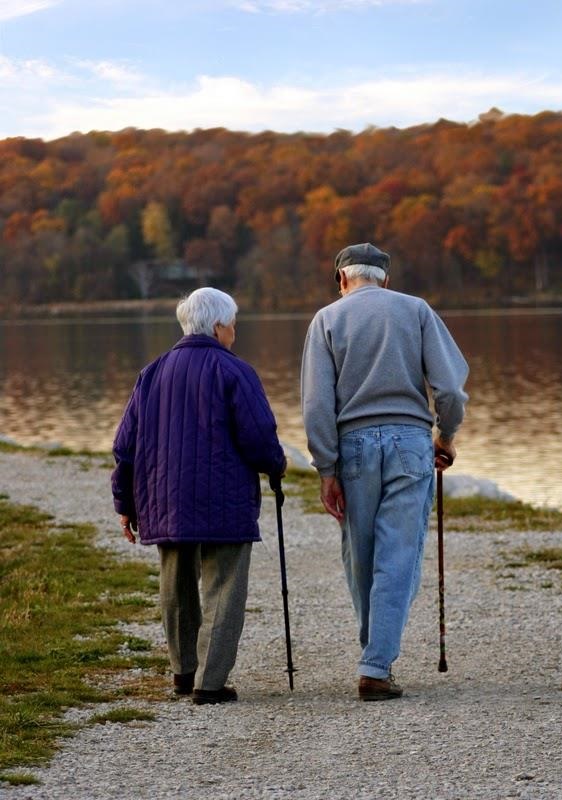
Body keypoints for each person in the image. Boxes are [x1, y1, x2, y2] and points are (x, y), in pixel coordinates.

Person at [301, 243, 468, 701]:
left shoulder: (326, 320)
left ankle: (373, 654)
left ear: (342, 280)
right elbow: (450, 387)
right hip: (410, 444)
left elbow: (317, 405)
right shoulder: (416, 311)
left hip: (352, 447)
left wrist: (326, 469)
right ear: (385, 279)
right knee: (398, 555)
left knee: (361, 557)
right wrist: (446, 436)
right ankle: (376, 664)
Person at [111, 287, 286, 705]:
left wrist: (125, 504)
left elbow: (125, 446)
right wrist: (275, 466)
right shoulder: (235, 371)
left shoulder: (151, 373)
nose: (235, 331)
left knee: (176, 586)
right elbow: (259, 436)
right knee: (224, 587)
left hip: (164, 498)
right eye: (233, 324)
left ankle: (182, 672)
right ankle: (210, 682)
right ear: (219, 325)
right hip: (224, 499)